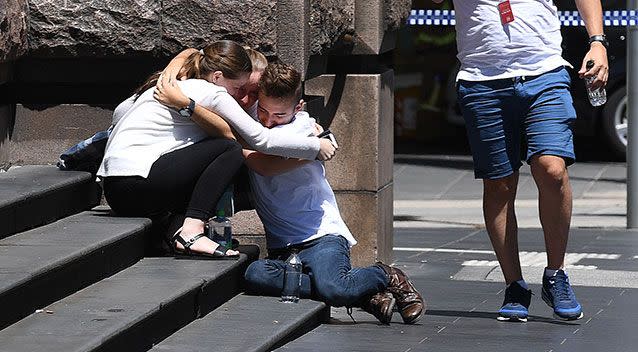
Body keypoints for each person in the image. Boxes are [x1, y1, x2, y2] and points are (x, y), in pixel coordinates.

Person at [432, 0, 608, 321]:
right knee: (499, 184)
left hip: (545, 72)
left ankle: (556, 275)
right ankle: (514, 284)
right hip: (481, 79)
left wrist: (597, 41)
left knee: (552, 169)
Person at [98, 40, 336, 259]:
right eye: (239, 87)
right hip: (140, 185)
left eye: (249, 92)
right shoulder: (214, 93)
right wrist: (315, 147)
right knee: (229, 150)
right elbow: (261, 140)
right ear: (218, 77)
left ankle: (174, 229)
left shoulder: (175, 86)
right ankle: (191, 231)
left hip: (115, 190)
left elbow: (120, 111)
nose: (241, 96)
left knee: (216, 155)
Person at [239, 62, 426, 325]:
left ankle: (387, 276)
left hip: (321, 237)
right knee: (256, 274)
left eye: (279, 115)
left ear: (298, 108)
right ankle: (363, 296)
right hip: (283, 246)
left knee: (334, 289)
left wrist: (315, 149)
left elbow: (264, 164)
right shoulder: (256, 119)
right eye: (264, 111)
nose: (269, 121)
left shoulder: (302, 130)